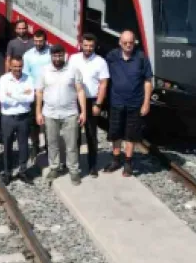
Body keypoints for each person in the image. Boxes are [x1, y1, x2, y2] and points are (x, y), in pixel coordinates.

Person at [35, 45, 87, 185]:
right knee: (52, 143)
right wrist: (38, 112)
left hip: (70, 113)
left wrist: (83, 112)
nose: (57, 58)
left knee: (71, 144)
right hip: (50, 113)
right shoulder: (44, 71)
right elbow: (39, 92)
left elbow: (80, 91)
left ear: (64, 55)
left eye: (60, 56)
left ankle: (74, 170)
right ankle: (54, 167)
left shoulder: (73, 70)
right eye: (55, 56)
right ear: (51, 56)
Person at [105, 30, 153, 177]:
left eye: (131, 42)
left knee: (130, 135)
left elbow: (147, 81)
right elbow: (103, 76)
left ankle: (128, 162)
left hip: (134, 103)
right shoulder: (112, 56)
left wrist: (146, 103)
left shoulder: (141, 57)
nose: (128, 45)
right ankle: (115, 160)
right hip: (116, 102)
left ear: (135, 42)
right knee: (115, 133)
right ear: (120, 43)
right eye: (125, 43)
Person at [68, 34, 109, 177]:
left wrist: (98, 104)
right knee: (75, 135)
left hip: (92, 100)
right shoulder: (73, 59)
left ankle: (92, 166)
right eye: (86, 45)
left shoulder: (101, 62)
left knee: (91, 134)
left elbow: (103, 84)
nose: (88, 48)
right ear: (81, 44)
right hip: (75, 100)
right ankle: (76, 165)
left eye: (91, 46)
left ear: (94, 46)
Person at [0, 56, 35, 183]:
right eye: (15, 66)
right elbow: (3, 99)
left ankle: (23, 171)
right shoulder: (4, 79)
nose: (17, 69)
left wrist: (12, 96)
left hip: (23, 116)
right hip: (8, 117)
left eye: (19, 66)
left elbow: (30, 98)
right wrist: (21, 96)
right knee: (7, 144)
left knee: (23, 145)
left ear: (22, 66)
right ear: (10, 66)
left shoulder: (29, 78)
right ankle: (7, 173)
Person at [22, 29, 52, 162]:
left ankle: (48, 146)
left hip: (49, 91)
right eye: (36, 41)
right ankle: (35, 146)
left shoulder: (51, 52)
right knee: (34, 121)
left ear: (45, 40)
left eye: (40, 41)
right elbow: (26, 75)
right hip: (35, 92)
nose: (38, 43)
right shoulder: (28, 55)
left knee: (49, 120)